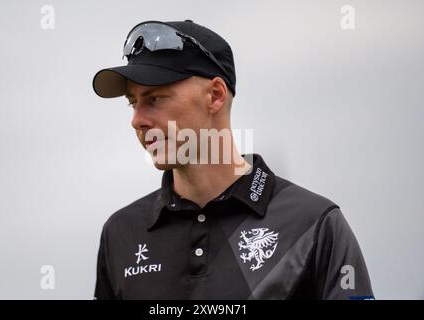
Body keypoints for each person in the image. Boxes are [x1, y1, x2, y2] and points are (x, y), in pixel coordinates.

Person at [91, 19, 374, 300]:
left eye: (155, 99)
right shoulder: (120, 233)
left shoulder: (315, 224)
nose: (137, 120)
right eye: (133, 102)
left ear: (215, 95)